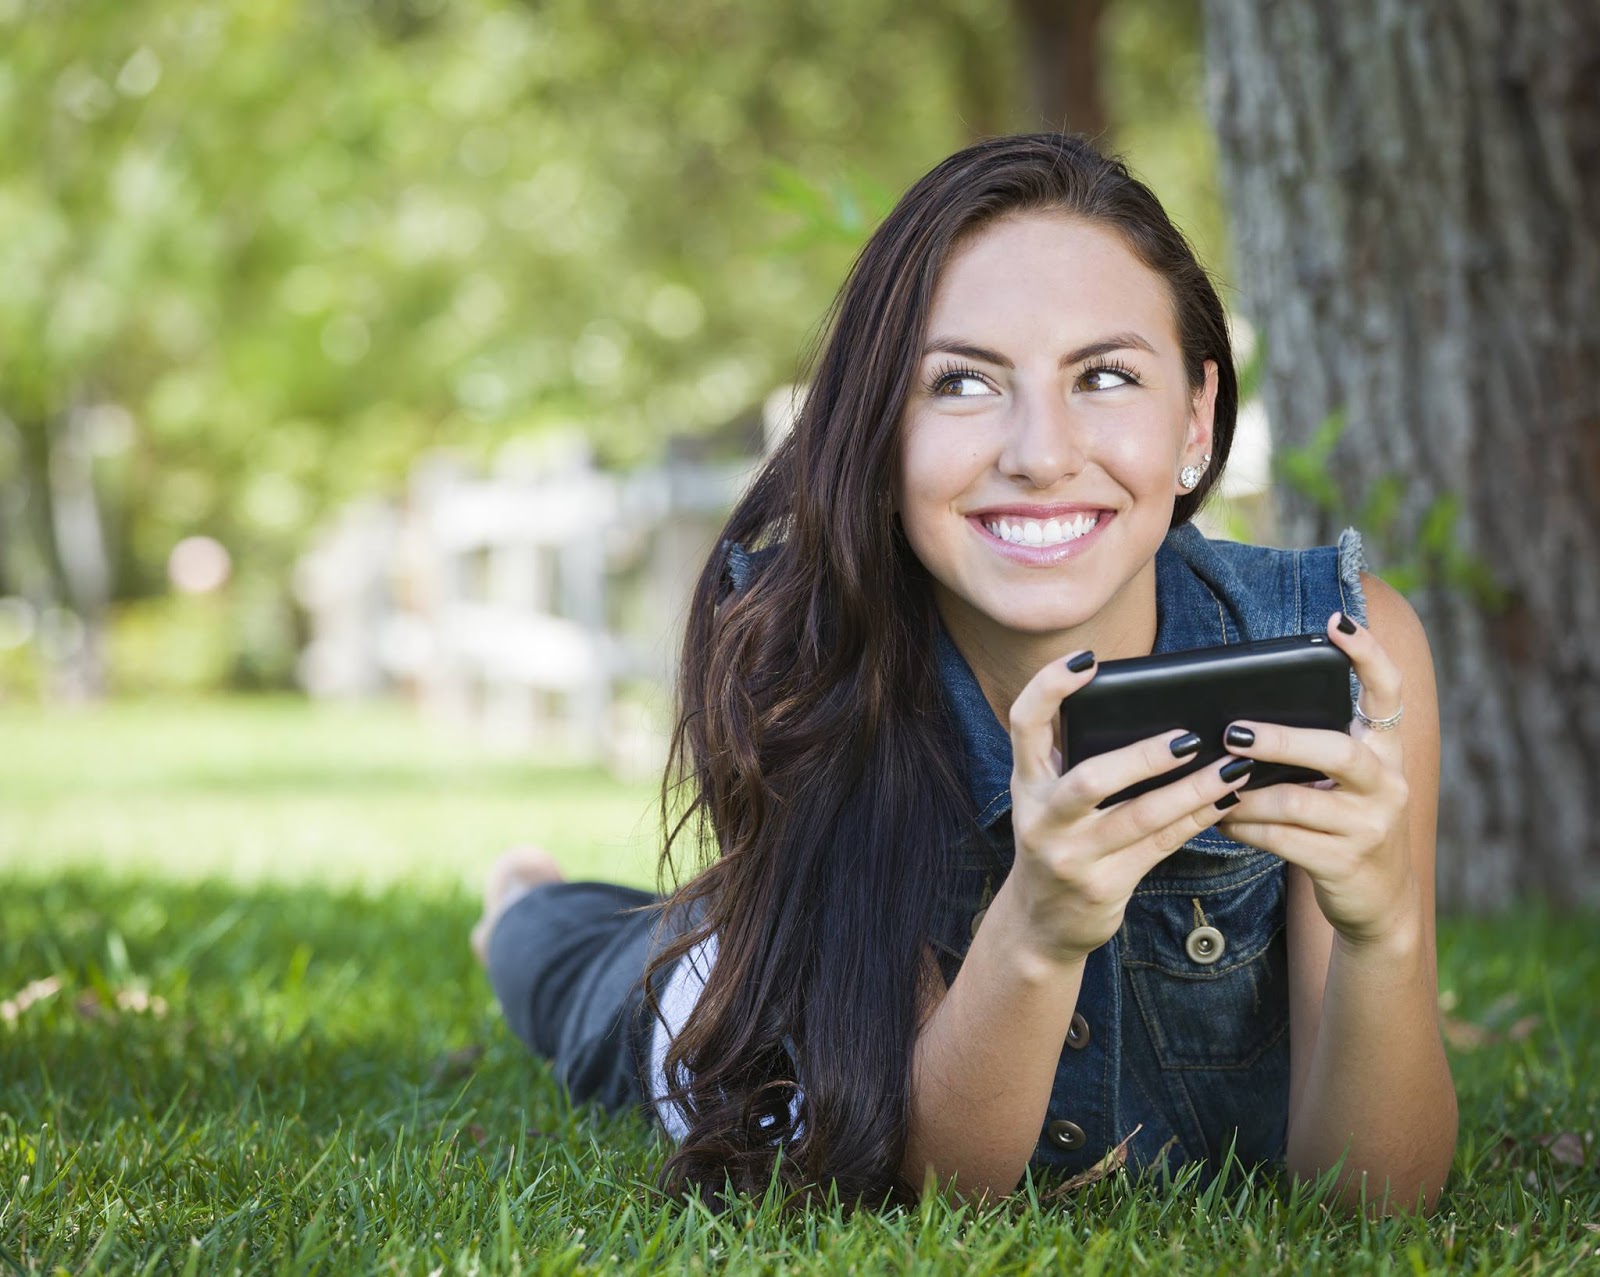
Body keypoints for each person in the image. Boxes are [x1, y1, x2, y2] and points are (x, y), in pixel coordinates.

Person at [472, 132, 1456, 1217]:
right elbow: (932, 1185)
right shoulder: (804, 653)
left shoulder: (1344, 646)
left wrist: (1383, 928)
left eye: (1107, 375)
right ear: (882, 431)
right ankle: (523, 901)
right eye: (963, 381)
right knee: (604, 977)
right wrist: (1039, 921)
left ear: (1194, 418)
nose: (1039, 451)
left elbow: (1376, 1199)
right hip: (775, 1014)